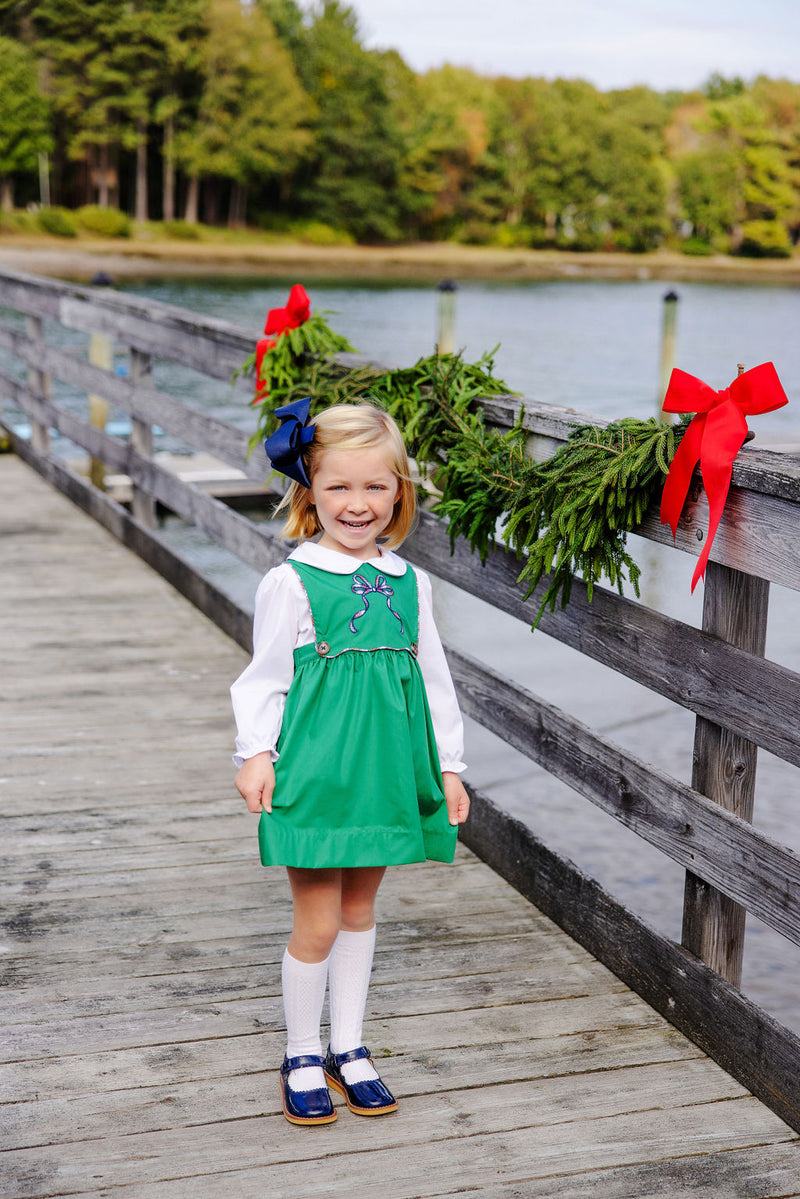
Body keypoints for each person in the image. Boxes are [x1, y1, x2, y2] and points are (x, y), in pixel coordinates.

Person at [231, 398, 470, 1127]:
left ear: (399, 490)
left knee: (362, 908)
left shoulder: (410, 582)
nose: (357, 504)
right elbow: (264, 678)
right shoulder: (295, 581)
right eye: (338, 486)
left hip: (387, 770)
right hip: (317, 769)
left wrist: (450, 765)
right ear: (309, 489)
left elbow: (433, 678)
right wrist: (256, 754)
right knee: (318, 916)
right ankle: (302, 1050)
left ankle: (348, 1044)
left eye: (374, 486)